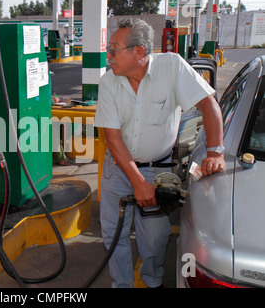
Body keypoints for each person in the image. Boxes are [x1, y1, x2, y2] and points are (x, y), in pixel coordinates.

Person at [94, 19, 225, 288]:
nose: (108, 56)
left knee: (154, 238)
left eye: (114, 49)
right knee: (113, 236)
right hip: (117, 168)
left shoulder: (172, 67)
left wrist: (216, 152)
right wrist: (137, 182)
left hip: (158, 170)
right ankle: (121, 285)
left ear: (139, 52)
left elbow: (208, 105)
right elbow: (112, 137)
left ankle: (153, 281)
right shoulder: (108, 82)